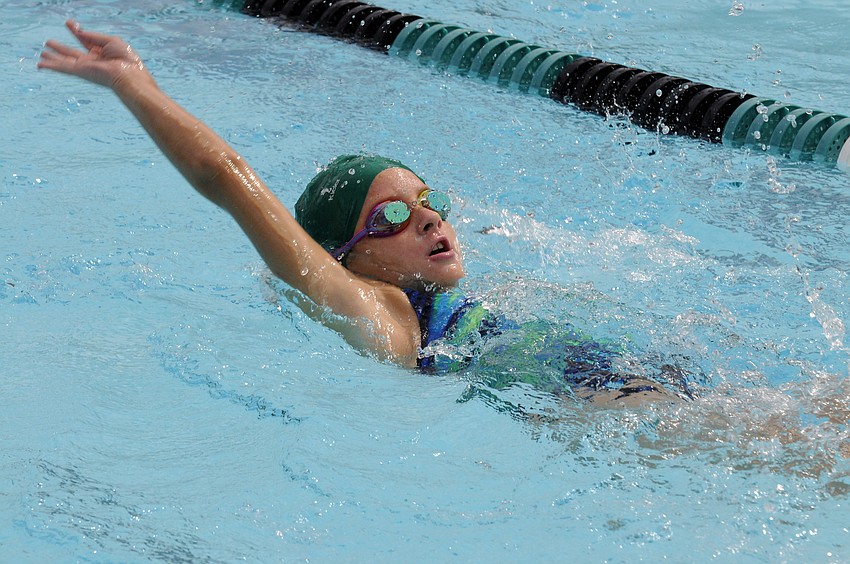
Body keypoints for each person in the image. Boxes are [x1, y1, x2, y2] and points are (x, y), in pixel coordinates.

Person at [39, 21, 691, 405]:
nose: (430, 222)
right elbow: (229, 180)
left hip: (641, 385)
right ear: (341, 257)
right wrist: (135, 84)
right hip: (617, 412)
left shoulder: (439, 304)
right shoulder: (378, 309)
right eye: (393, 217)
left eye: (429, 204)